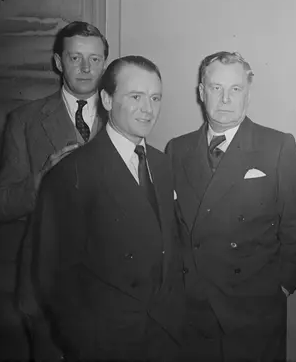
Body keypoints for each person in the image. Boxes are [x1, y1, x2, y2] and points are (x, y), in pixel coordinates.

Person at [32, 56, 185, 362]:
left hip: (164, 337)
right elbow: (53, 276)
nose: (148, 108)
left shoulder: (162, 164)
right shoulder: (72, 173)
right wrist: (85, 344)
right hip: (106, 342)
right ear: (106, 99)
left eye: (155, 98)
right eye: (136, 97)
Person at [166, 51, 296, 362]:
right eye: (216, 88)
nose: (225, 99)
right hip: (193, 309)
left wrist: (282, 286)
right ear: (201, 92)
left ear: (248, 94)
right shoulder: (177, 149)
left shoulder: (276, 145)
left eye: (235, 89)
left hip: (254, 308)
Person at [0, 21, 109, 360]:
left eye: (94, 59)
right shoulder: (25, 120)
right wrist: (41, 181)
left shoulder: (126, 116)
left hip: (110, 288)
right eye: (75, 58)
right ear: (58, 62)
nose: (85, 68)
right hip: (46, 287)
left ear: (105, 63)